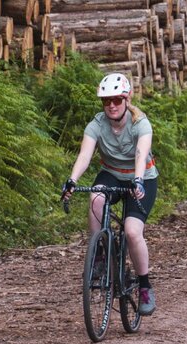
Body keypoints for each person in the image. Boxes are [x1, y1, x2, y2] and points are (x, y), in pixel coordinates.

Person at [61, 73, 158, 315]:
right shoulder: (96, 125)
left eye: (116, 100)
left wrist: (137, 180)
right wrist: (72, 180)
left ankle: (145, 286)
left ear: (127, 99)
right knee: (95, 197)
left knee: (132, 231)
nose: (111, 106)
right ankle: (100, 255)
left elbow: (140, 153)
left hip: (142, 177)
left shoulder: (140, 124)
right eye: (106, 101)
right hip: (112, 174)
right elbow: (85, 156)